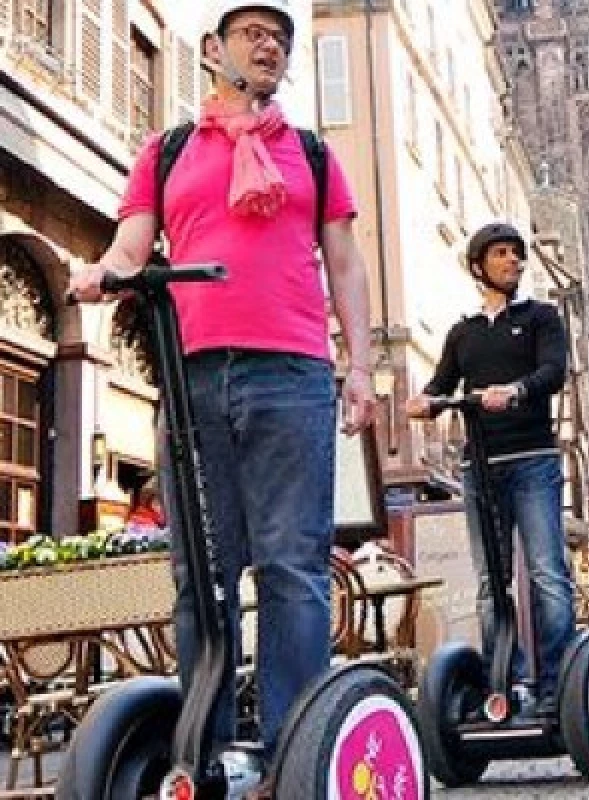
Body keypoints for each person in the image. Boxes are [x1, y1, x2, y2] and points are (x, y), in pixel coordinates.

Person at [66, 2, 375, 791]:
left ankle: (289, 751)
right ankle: (204, 745)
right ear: (213, 50)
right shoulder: (167, 151)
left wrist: (362, 367)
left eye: (281, 37)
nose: (270, 44)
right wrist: (106, 270)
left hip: (294, 374)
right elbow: (135, 241)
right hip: (191, 373)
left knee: (292, 568)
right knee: (200, 569)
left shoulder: (310, 153)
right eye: (254, 34)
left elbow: (344, 265)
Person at [406, 222, 573, 718]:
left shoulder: (541, 318)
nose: (514, 262)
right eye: (502, 254)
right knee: (489, 580)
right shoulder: (464, 333)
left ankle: (555, 684)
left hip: (532, 460)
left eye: (517, 255)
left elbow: (553, 372)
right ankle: (507, 679)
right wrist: (425, 401)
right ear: (479, 266)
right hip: (480, 466)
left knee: (547, 574)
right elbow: (441, 384)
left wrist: (516, 390)